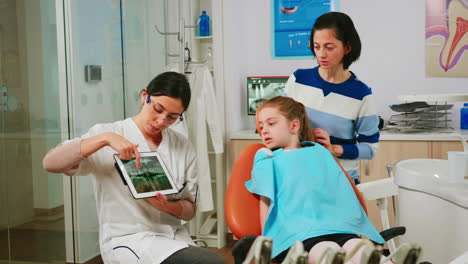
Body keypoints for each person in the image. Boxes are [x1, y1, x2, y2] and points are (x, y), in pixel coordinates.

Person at [43, 72, 225, 264]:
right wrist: (105, 139)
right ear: (145, 96)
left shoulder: (182, 146)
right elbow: (50, 163)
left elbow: (190, 210)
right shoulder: (110, 133)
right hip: (129, 241)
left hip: (173, 238)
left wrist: (166, 206)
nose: (161, 121)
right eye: (157, 109)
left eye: (172, 117)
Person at [244, 96, 421, 264]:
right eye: (261, 126)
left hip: (337, 226)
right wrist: (267, 242)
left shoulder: (319, 151)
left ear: (294, 125)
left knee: (362, 251)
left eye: (271, 123)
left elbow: (337, 187)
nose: (264, 130)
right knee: (327, 251)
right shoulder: (268, 159)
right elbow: (265, 200)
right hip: (296, 234)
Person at [284, 12, 379, 184]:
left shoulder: (361, 94)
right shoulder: (298, 79)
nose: (321, 54)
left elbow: (370, 149)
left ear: (347, 48)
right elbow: (282, 124)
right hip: (301, 176)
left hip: (341, 180)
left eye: (329, 47)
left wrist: (334, 149)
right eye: (316, 46)